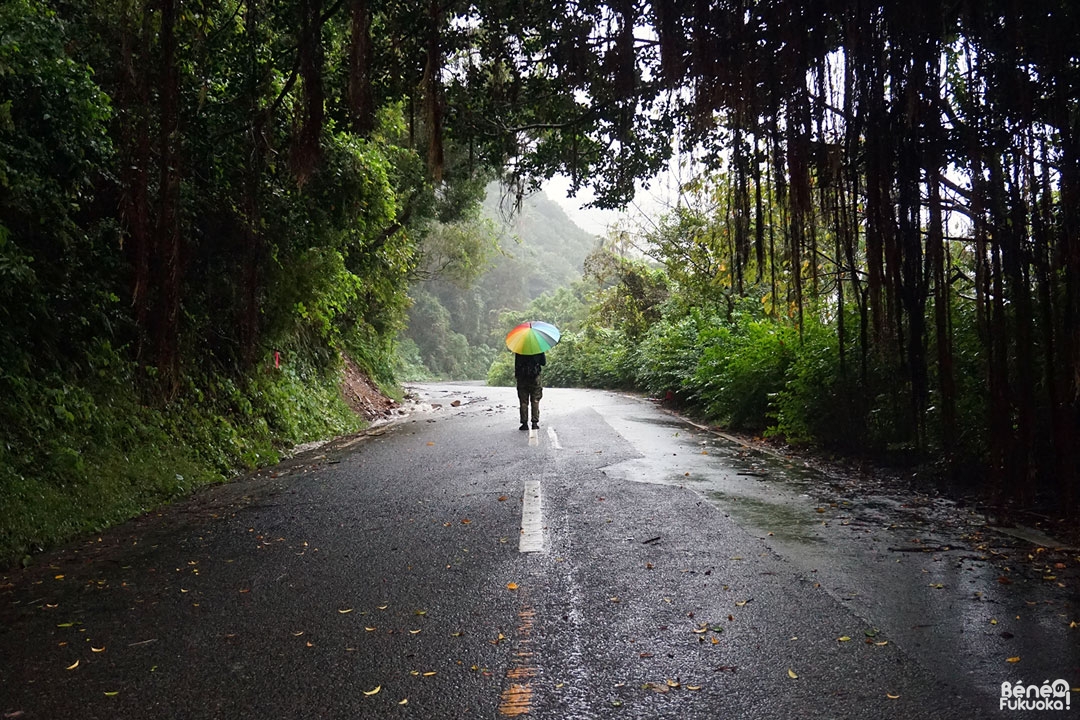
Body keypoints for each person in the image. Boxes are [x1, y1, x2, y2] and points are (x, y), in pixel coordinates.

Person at [514, 351, 545, 430]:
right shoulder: (538, 349)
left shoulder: (519, 349)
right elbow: (543, 362)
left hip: (522, 379)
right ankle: (534, 423)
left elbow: (517, 364)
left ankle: (524, 423)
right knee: (535, 400)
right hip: (535, 378)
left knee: (523, 401)